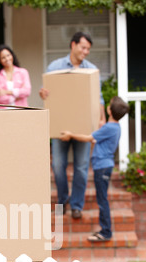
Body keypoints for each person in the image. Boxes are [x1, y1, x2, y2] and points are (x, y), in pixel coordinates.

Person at [39, 31, 106, 219]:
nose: (86, 52)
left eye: (88, 49)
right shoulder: (55, 67)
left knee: (81, 167)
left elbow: (98, 98)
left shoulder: (91, 70)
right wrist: (43, 94)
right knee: (58, 165)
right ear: (73, 45)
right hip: (61, 125)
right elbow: (48, 94)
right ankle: (63, 200)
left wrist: (101, 120)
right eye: (83, 47)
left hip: (82, 126)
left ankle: (76, 205)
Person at [60, 96, 130, 241]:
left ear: (109, 111)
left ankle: (106, 232)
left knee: (102, 200)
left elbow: (88, 138)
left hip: (102, 168)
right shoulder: (114, 127)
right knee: (101, 199)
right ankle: (105, 230)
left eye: (108, 106)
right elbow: (96, 138)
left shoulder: (109, 128)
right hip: (104, 166)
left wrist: (70, 134)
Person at [0, 44, 31, 108]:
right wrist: (18, 94)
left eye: (8, 55)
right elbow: (0, 98)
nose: (7, 59)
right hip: (2, 113)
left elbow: (27, 91)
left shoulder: (23, 72)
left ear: (12, 55)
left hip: (21, 111)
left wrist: (7, 92)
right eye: (3, 57)